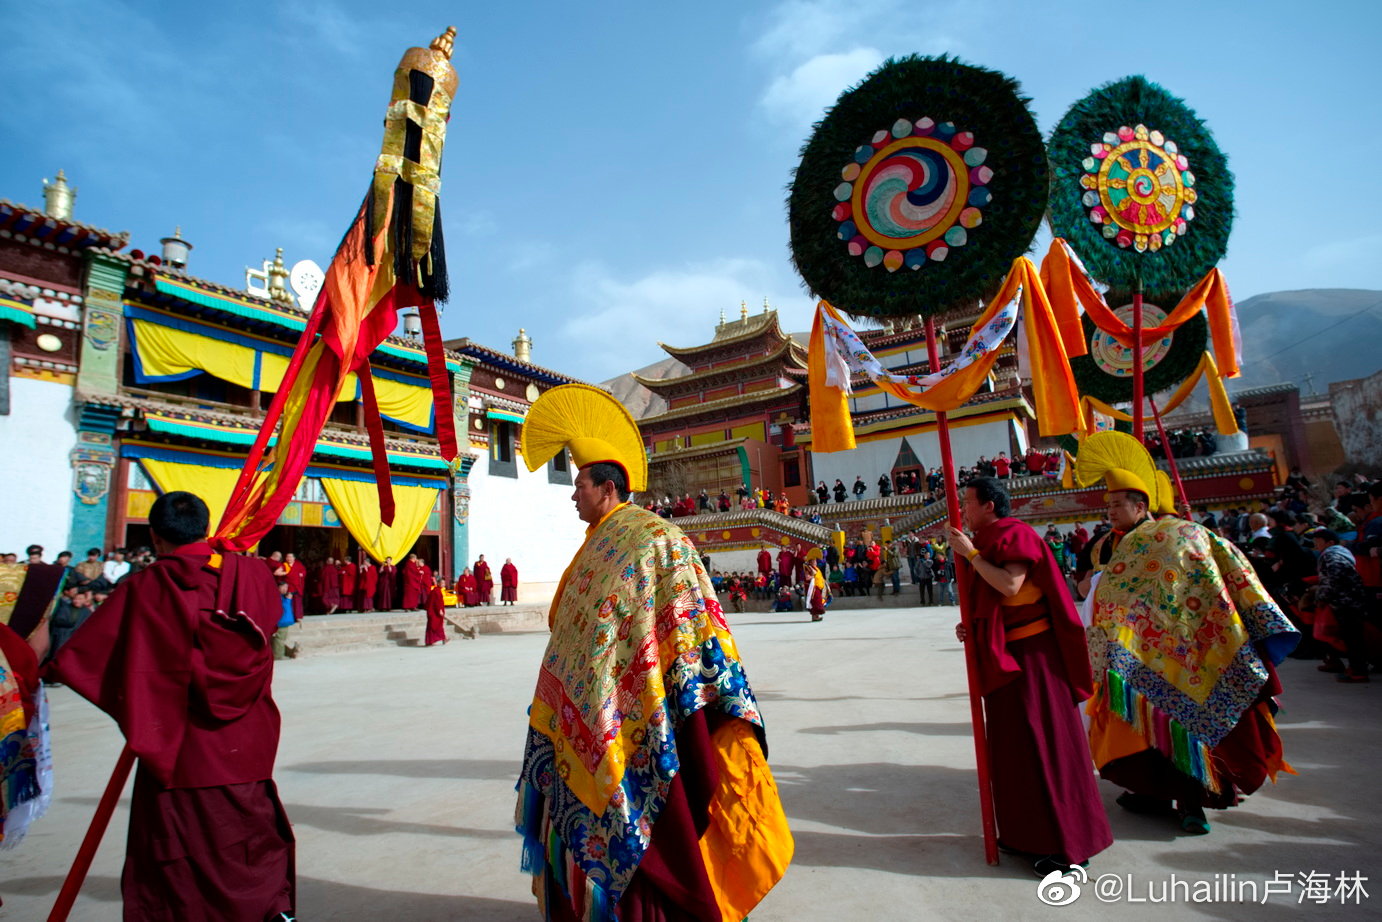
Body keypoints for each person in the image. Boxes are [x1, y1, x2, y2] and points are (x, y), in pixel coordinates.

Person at [514, 383, 792, 921]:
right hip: (588, 709)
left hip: (638, 703)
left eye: (579, 485)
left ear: (608, 488)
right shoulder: (597, 543)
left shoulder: (653, 538)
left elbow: (686, 616)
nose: (574, 495)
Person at [45, 491, 295, 919]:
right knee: (250, 846)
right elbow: (272, 617)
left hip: (179, 755)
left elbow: (85, 659)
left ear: (156, 538)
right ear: (206, 527)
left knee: (178, 866)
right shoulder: (252, 576)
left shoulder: (145, 588)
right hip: (245, 748)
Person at [1074, 432, 1299, 836]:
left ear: (1140, 505)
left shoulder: (1176, 535)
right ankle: (1150, 791)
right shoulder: (1105, 546)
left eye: (1116, 505)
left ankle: (1194, 802)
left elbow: (1206, 579)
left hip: (1185, 645)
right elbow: (1093, 588)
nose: (1109, 512)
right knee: (1138, 726)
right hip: (1128, 648)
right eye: (1106, 505)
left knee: (1186, 720)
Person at [947, 476, 1112, 876]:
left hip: (1033, 661)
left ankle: (1067, 843)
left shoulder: (1011, 535)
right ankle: (1027, 834)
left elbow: (1010, 584)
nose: (964, 510)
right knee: (1014, 752)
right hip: (1009, 656)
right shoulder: (989, 539)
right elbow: (994, 603)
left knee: (1045, 746)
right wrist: (976, 625)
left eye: (968, 502)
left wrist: (970, 555)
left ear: (990, 506)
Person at [1305, 527, 1370, 683]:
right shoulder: (1339, 553)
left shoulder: (1331, 555)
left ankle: (1358, 671)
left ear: (1330, 542)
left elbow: (1334, 576)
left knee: (1352, 638)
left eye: (1318, 541)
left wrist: (1322, 595)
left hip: (1345, 601)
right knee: (1352, 637)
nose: (1316, 544)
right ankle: (1355, 668)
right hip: (1351, 599)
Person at [423, 575, 447, 646]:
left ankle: (442, 639)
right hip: (434, 612)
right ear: (438, 583)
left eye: (444, 583)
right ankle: (430, 641)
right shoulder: (436, 591)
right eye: (442, 583)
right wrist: (439, 610)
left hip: (433, 612)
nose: (443, 584)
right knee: (435, 626)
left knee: (438, 626)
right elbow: (437, 602)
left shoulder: (436, 590)